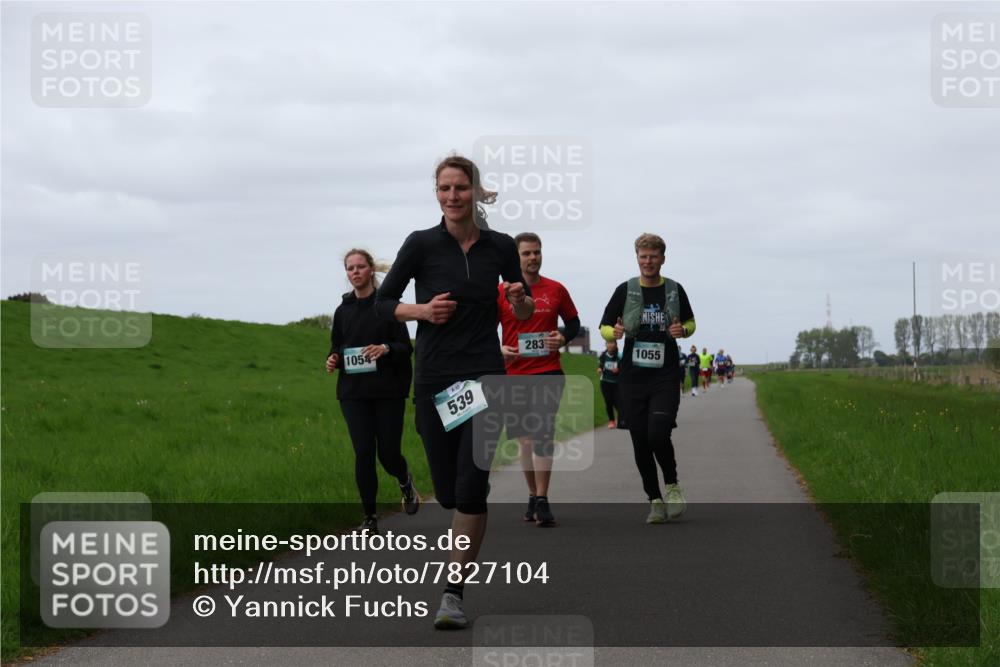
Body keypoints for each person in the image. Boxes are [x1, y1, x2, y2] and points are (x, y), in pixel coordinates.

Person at [375, 155, 534, 630]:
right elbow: (384, 304)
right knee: (446, 492)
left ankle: (452, 593)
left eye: (460, 187)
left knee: (470, 489)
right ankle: (457, 517)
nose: (452, 196)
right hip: (435, 378)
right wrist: (421, 312)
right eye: (444, 188)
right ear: (437, 194)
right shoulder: (421, 244)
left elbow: (521, 311)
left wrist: (521, 300)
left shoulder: (500, 247)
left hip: (485, 376)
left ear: (474, 190)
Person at [599, 233, 696, 524]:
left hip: (665, 375)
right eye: (643, 256)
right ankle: (654, 500)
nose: (648, 261)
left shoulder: (675, 290)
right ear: (637, 258)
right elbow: (604, 324)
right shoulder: (625, 290)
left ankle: (673, 485)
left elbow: (690, 321)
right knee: (640, 441)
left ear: (662, 259)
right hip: (632, 377)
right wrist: (611, 334)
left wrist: (684, 332)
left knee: (657, 433)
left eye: (653, 256)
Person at [326, 249, 419, 535]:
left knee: (388, 454)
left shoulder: (387, 306)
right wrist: (333, 359)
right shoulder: (343, 311)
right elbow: (337, 348)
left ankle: (404, 479)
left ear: (371, 271)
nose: (355, 272)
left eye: (360, 267)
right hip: (354, 392)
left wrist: (385, 348)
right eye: (350, 268)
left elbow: (406, 348)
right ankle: (369, 517)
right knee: (363, 451)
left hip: (388, 390)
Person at [498, 233, 580, 527]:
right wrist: (498, 350)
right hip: (514, 374)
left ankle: (543, 499)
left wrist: (563, 337)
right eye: (526, 254)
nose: (533, 258)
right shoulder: (500, 292)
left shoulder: (556, 289)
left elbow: (573, 322)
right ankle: (533, 494)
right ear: (516, 258)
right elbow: (483, 329)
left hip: (547, 371)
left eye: (537, 252)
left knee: (543, 432)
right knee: (525, 440)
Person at [598, 340, 622, 427]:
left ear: (615, 345)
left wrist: (619, 370)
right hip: (605, 382)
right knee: (608, 402)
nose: (610, 345)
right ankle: (611, 421)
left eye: (612, 343)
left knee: (617, 402)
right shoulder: (603, 356)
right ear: (606, 345)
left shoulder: (619, 356)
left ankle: (622, 419)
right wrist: (600, 369)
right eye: (608, 343)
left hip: (616, 383)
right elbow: (600, 365)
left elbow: (624, 367)